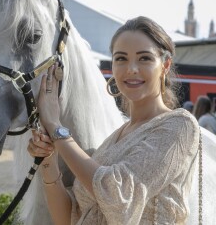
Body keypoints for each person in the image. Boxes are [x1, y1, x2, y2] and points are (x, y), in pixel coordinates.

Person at [27, 16, 200, 224]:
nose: (131, 69)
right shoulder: (110, 142)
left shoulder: (179, 126)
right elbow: (68, 218)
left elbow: (118, 199)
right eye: (121, 58)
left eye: (144, 58)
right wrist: (48, 160)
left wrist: (55, 127)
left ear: (165, 65)